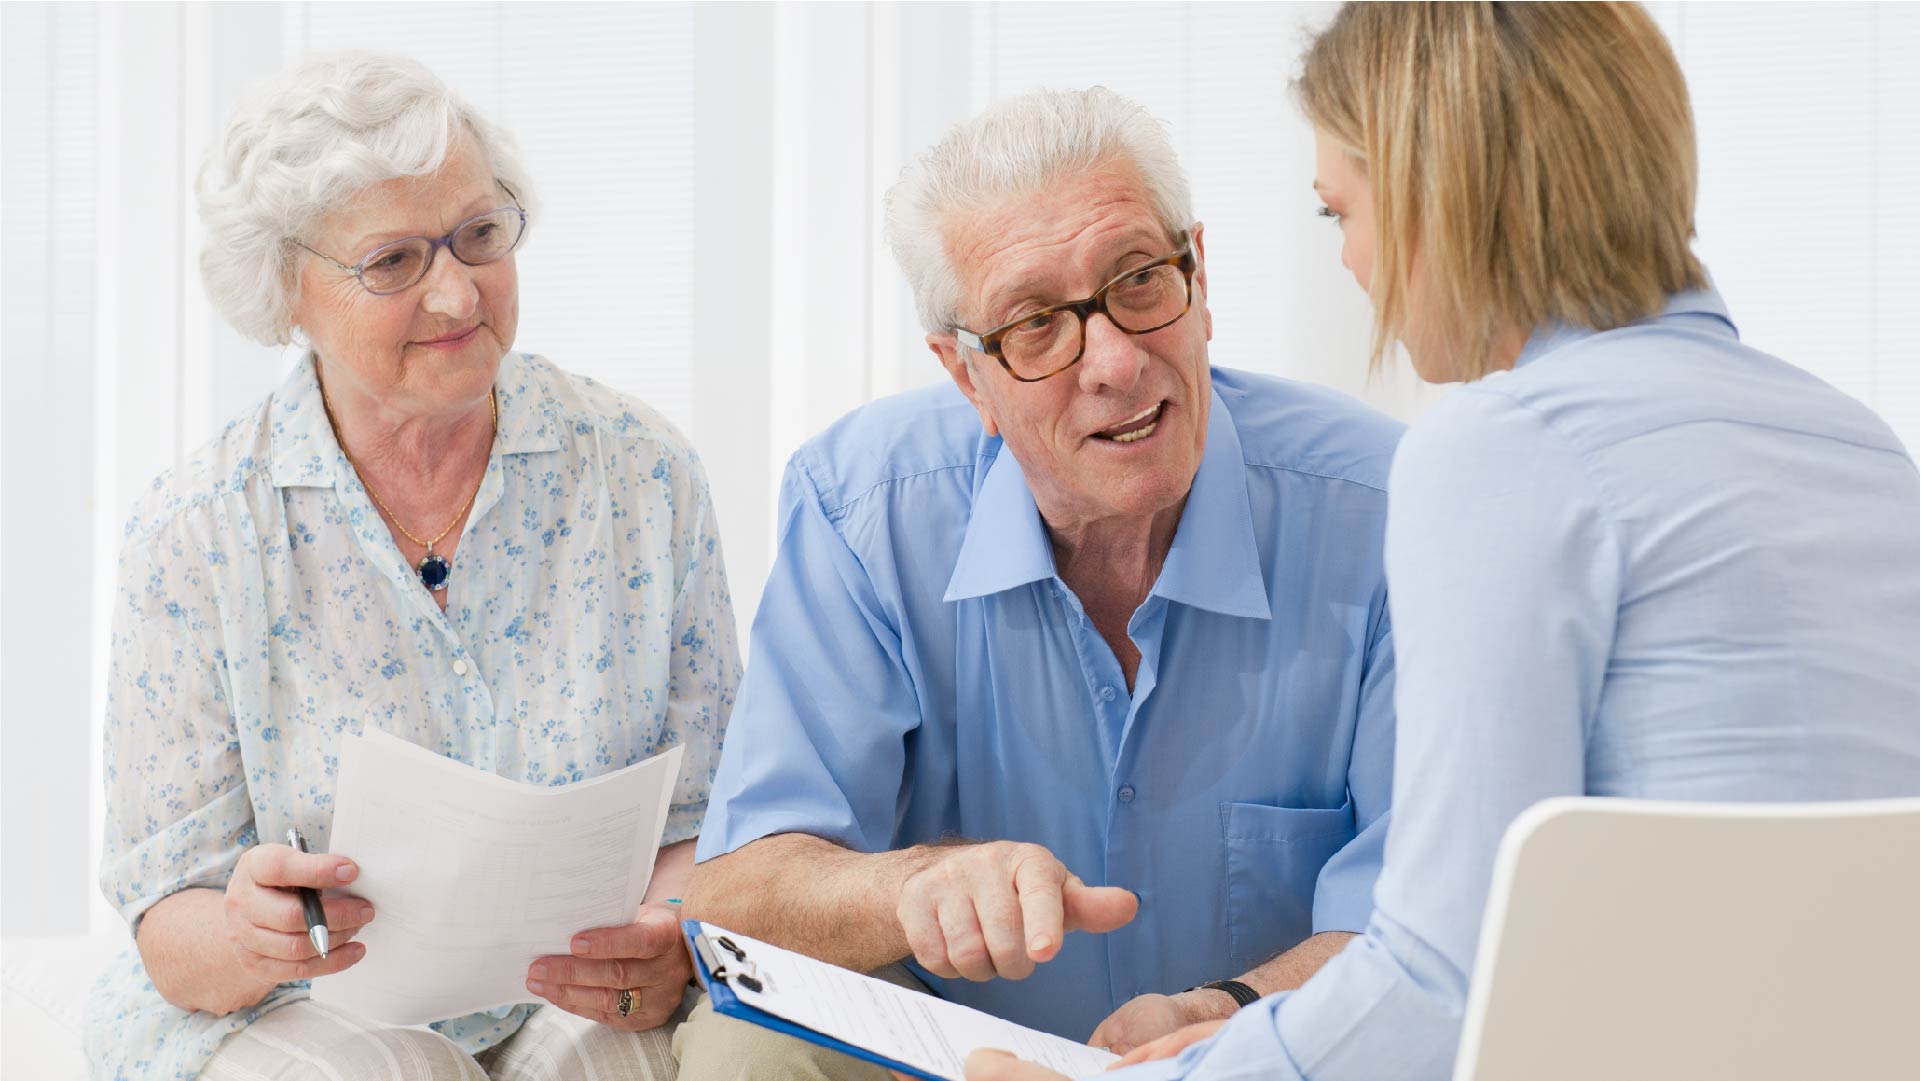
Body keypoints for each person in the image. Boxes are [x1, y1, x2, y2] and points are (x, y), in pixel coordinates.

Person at [963, 5, 1921, 1080]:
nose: (1356, 266)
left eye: (1342, 214)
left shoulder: (1507, 448)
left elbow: (1442, 980)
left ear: (1435, 199)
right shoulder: (1864, 447)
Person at [674, 87, 1405, 1080]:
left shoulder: (1385, 508)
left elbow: (1422, 921)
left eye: (1140, 280)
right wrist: (918, 886)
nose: (1113, 361)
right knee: (740, 1049)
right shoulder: (861, 506)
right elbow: (740, 892)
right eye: (1034, 326)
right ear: (965, 374)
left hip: (1257, 1055)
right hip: (951, 1059)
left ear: (1199, 272)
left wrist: (1226, 1010)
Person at [86, 53, 739, 1081]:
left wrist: (668, 930)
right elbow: (173, 926)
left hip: (566, 989)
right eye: (392, 261)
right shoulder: (195, 530)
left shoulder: (641, 473)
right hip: (287, 1010)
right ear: (286, 294)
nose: (455, 291)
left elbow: (713, 812)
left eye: (480, 235)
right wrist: (248, 935)